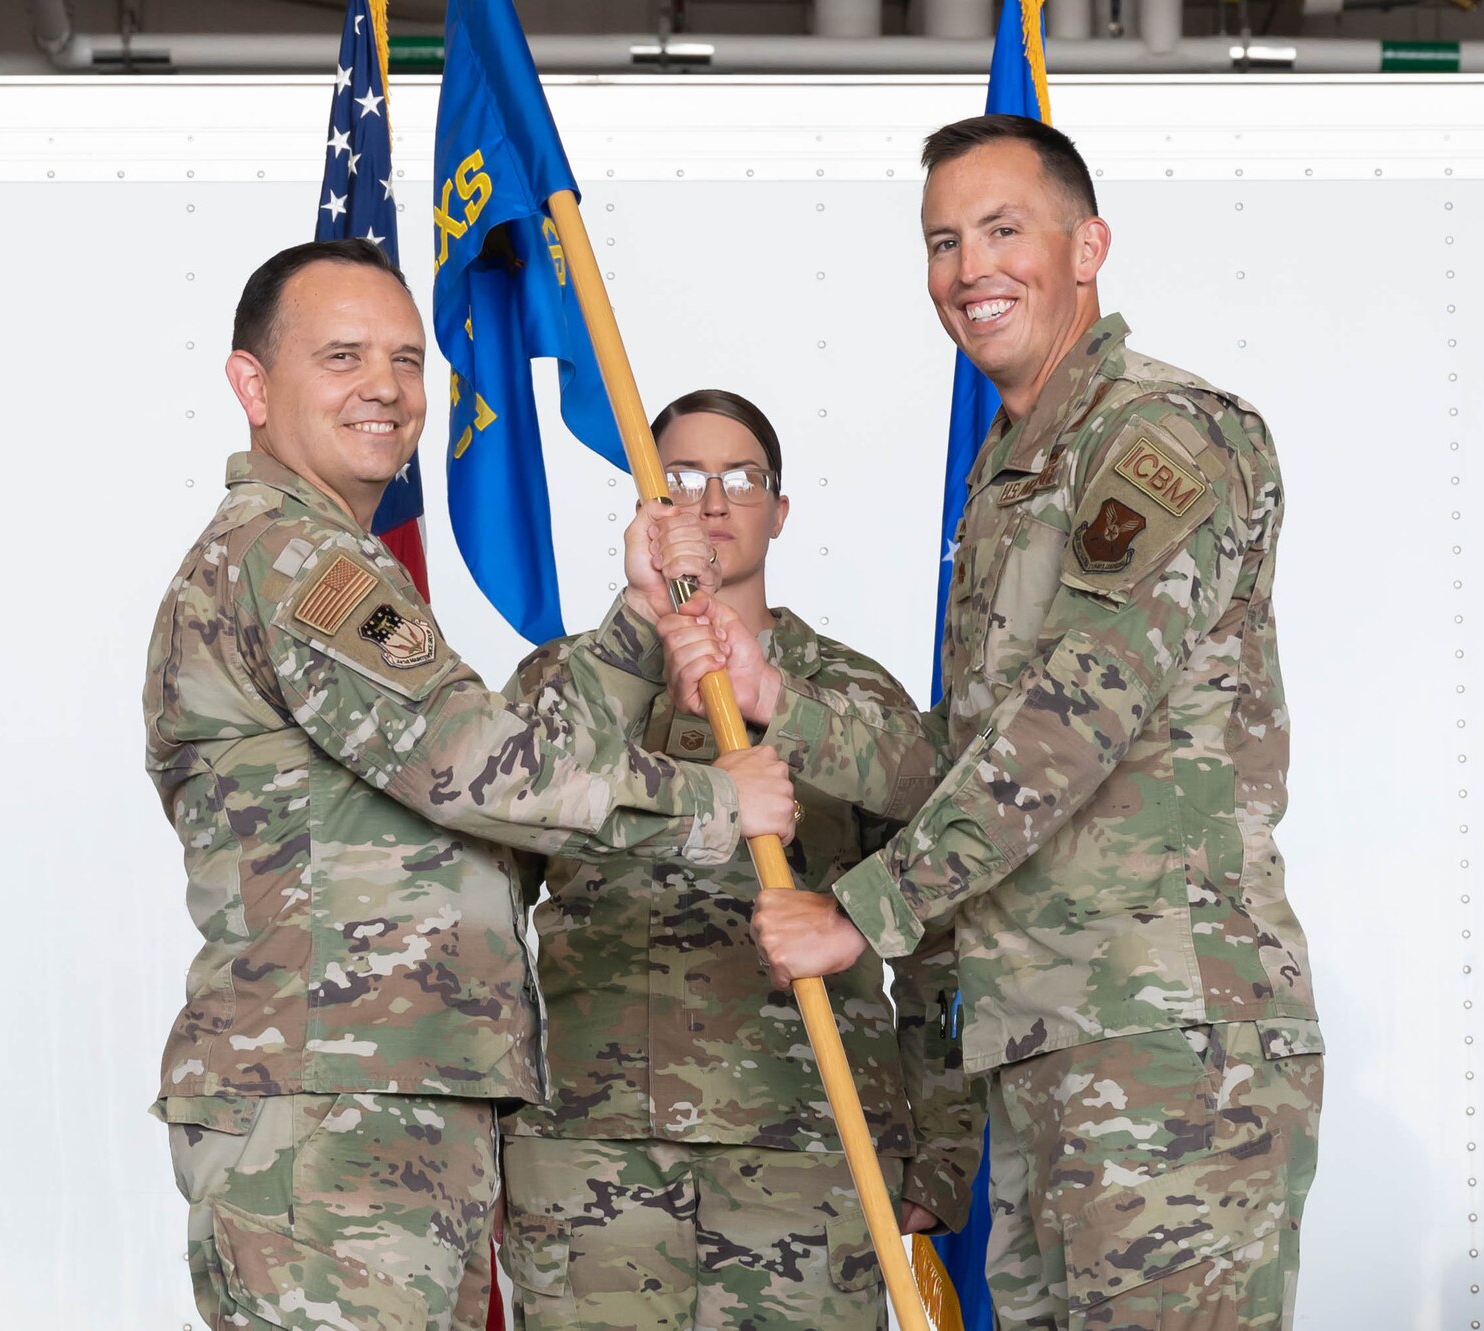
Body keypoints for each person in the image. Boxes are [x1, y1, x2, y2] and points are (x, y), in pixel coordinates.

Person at [659, 116, 1325, 1330]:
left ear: (1089, 247)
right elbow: (961, 760)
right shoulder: (1011, 472)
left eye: (1004, 230)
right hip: (1036, 1041)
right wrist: (778, 701)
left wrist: (858, 914)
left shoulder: (1157, 436)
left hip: (1161, 1040)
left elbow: (1069, 726)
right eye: (942, 241)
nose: (970, 269)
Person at [142, 239, 795, 1331]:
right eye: (341, 355)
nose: (386, 388)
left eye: (406, 359)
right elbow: (473, 768)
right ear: (252, 385)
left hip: (385, 1093)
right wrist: (713, 804)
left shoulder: (321, 557)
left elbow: (489, 772)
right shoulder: (296, 561)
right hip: (332, 1103)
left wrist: (638, 622)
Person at [494, 390, 984, 1331]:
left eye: (740, 479)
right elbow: (481, 890)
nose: (711, 503)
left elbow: (945, 919)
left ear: (780, 509)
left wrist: (944, 1146)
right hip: (592, 1153)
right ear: (646, 511)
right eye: (678, 481)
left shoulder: (850, 696)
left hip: (809, 1149)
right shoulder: (573, 685)